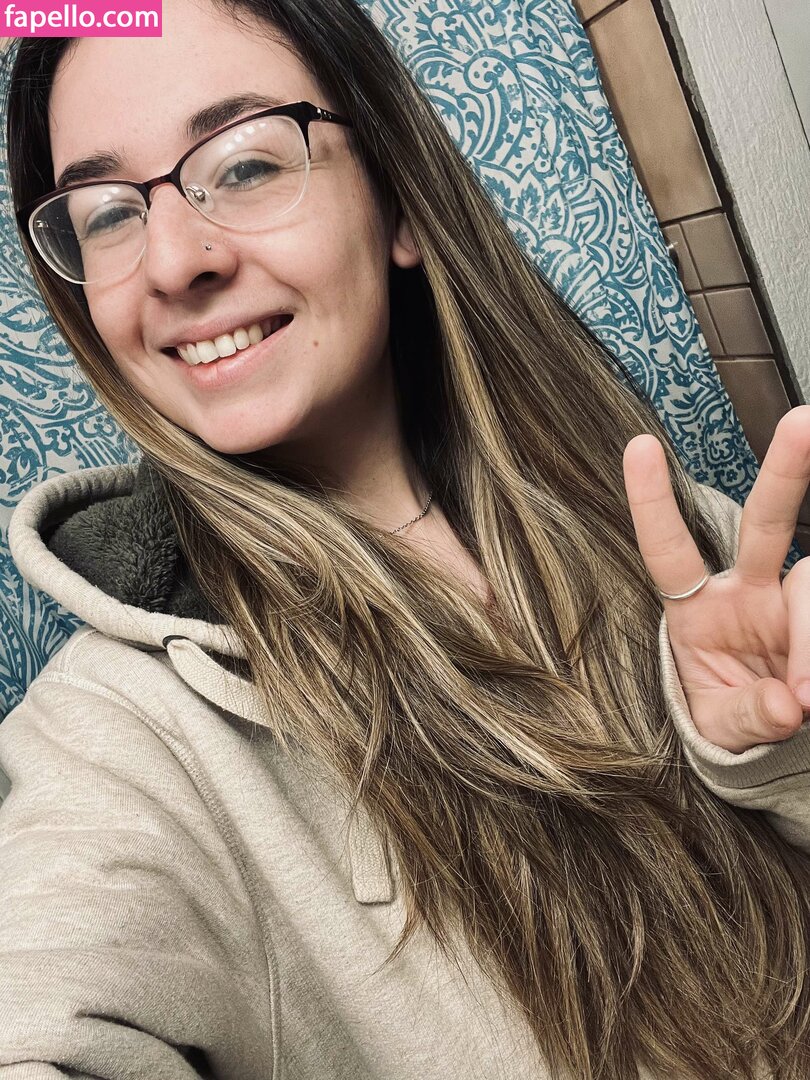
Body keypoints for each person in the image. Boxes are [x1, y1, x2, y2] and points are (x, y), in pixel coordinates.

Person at [2, 0, 810, 1076]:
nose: (172, 260)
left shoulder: (673, 534)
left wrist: (777, 761)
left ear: (400, 202)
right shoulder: (122, 732)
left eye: (245, 164)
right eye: (107, 214)